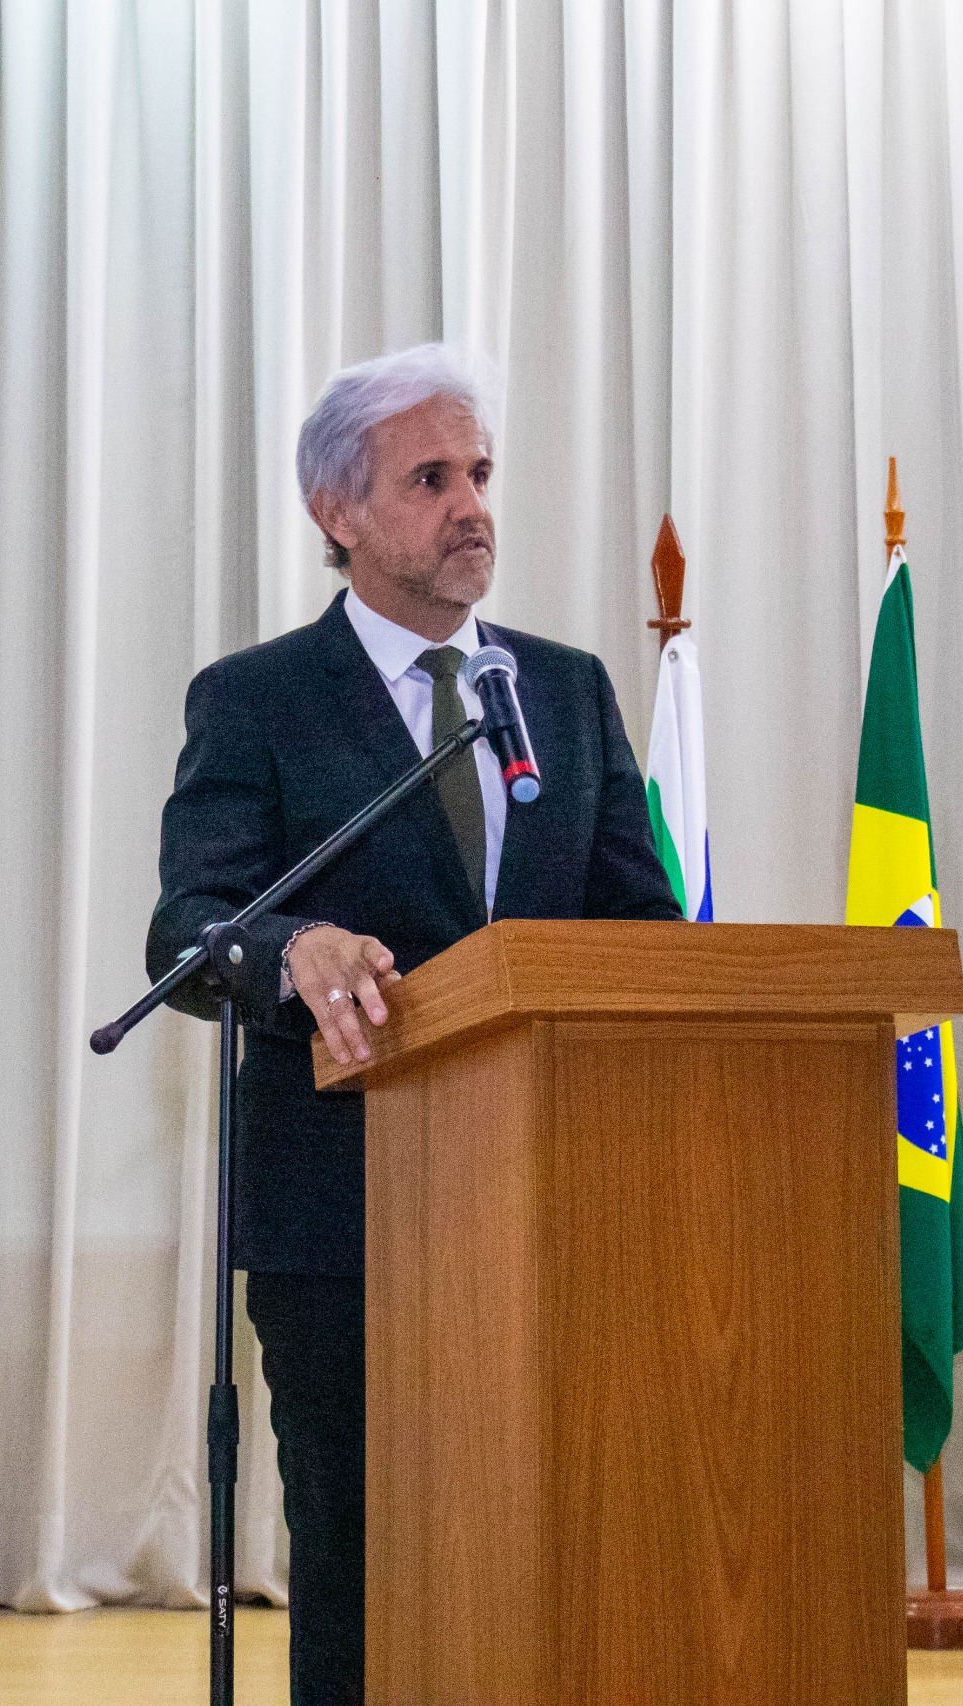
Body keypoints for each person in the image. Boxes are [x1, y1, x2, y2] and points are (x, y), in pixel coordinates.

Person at [145, 344, 679, 1704]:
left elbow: (642, 931)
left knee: (550, 1545)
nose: (472, 506)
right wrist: (291, 946)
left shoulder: (561, 689)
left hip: (548, 1210)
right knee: (366, 1556)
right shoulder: (257, 700)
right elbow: (189, 927)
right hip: (344, 1216)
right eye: (430, 478)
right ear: (341, 513)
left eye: (481, 474)